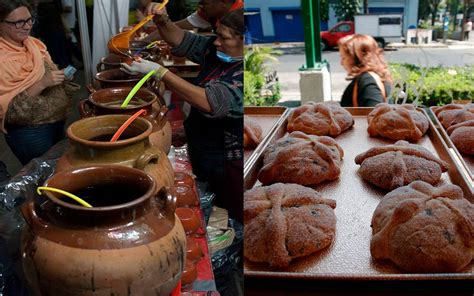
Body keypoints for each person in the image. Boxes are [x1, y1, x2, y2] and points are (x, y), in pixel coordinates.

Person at [121, 8, 244, 221]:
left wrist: (160, 72)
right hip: (201, 145)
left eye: (223, 38)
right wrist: (163, 20)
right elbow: (182, 39)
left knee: (227, 212)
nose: (216, 42)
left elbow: (210, 101)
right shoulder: (216, 52)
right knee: (203, 198)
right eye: (217, 35)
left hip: (225, 159)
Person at [0, 0, 79, 165]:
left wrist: (61, 77)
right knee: (44, 177)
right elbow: (10, 111)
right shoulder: (3, 58)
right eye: (18, 22)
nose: (27, 26)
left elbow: (48, 70)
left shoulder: (34, 44)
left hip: (56, 121)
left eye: (30, 20)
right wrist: (42, 84)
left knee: (62, 168)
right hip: (30, 132)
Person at [338, 34, 392, 107]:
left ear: (357, 58)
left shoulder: (367, 81)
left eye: (343, 58)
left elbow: (373, 112)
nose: (341, 63)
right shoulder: (376, 76)